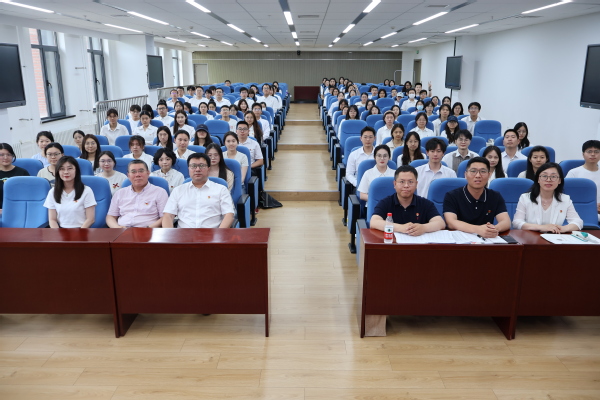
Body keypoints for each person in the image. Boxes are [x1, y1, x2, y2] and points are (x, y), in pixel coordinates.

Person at [443, 157, 511, 237]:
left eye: (483, 171)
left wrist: (493, 229)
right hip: (460, 240)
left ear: (489, 175)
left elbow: (506, 221)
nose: (478, 175)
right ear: (466, 175)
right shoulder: (452, 196)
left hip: (486, 240)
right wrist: (478, 229)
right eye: (473, 171)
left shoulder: (495, 196)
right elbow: (451, 222)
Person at [163, 153, 235, 228]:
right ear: (188, 169)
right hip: (184, 233)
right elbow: (168, 215)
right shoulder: (178, 190)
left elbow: (229, 215)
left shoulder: (221, 190)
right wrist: (169, 234)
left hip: (212, 233)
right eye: (193, 166)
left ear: (208, 169)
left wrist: (219, 234)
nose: (197, 169)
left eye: (202, 166)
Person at [371, 165, 446, 234]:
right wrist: (401, 228)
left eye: (410, 182)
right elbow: (374, 222)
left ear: (416, 184)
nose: (406, 186)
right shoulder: (385, 202)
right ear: (395, 184)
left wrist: (423, 228)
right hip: (392, 242)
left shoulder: (425, 203)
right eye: (402, 182)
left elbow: (440, 223)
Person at [513, 162, 583, 233]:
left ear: (559, 180)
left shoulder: (565, 199)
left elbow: (578, 222)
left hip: (555, 237)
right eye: (544, 176)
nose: (548, 180)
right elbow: (517, 222)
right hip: (531, 237)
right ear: (538, 179)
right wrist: (541, 227)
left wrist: (563, 228)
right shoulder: (525, 198)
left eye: (553, 177)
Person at [106, 159, 169, 228]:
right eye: (133, 172)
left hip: (148, 230)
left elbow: (165, 217)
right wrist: (116, 228)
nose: (137, 175)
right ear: (128, 175)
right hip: (123, 230)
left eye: (141, 171)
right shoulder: (119, 193)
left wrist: (148, 228)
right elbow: (111, 216)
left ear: (148, 173)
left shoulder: (160, 192)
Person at [44, 156, 96, 228]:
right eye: (62, 169)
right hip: (61, 231)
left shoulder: (86, 190)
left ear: (76, 171)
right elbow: (52, 220)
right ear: (58, 172)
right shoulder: (53, 192)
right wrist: (57, 233)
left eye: (70, 168)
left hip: (82, 230)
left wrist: (79, 233)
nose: (66, 172)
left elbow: (90, 219)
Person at [566, 139, 600, 219]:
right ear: (583, 154)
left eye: (596, 152)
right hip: (580, 211)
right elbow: (565, 196)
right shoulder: (574, 173)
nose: (593, 154)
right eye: (589, 151)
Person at [0, 143, 30, 209]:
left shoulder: (22, 172)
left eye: (9, 154)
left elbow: (28, 194)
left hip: (19, 209)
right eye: (1, 155)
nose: (5, 157)